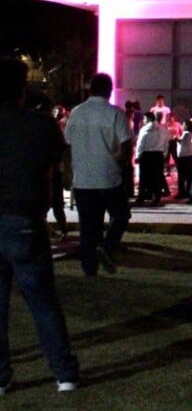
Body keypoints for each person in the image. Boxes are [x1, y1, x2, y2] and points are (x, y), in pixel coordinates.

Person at [0, 57, 81, 394]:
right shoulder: (41, 125)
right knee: (43, 301)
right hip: (25, 220)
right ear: (22, 88)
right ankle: (64, 373)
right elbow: (51, 172)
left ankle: (1, 377)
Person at [64, 72, 132, 276]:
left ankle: (89, 268)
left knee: (88, 225)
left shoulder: (76, 113)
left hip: (83, 178)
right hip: (108, 176)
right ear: (109, 91)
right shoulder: (115, 113)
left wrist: (68, 170)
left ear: (90, 89)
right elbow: (126, 146)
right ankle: (107, 246)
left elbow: (67, 145)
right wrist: (120, 164)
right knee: (121, 215)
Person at [134, 111, 169, 206]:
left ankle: (141, 197)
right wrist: (164, 154)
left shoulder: (144, 129)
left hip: (146, 155)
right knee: (157, 177)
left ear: (148, 119)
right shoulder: (163, 129)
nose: (143, 120)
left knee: (144, 177)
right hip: (159, 155)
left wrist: (137, 155)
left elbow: (140, 143)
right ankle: (156, 198)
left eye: (144, 119)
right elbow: (166, 143)